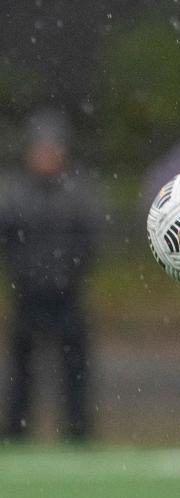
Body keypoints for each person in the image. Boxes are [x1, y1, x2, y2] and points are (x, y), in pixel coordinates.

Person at [0, 110, 98, 441]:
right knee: (21, 372)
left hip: (67, 295)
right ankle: (16, 431)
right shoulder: (14, 194)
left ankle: (77, 431)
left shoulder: (76, 192)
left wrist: (67, 273)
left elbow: (89, 242)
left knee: (75, 370)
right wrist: (25, 275)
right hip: (28, 295)